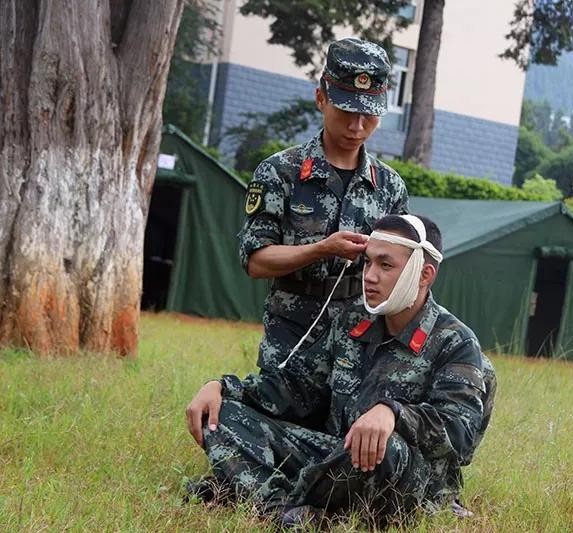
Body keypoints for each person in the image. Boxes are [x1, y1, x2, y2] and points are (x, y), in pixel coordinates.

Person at [186, 215, 496, 527]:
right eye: (368, 263)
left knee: (384, 446)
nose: (370, 277)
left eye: (385, 266)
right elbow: (296, 389)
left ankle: (255, 491)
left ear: (424, 274)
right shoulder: (352, 321)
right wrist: (223, 388)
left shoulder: (455, 342)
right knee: (220, 415)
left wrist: (394, 414)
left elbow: (460, 433)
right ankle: (283, 512)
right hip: (335, 456)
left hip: (405, 480)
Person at [238, 37, 408, 373]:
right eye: (347, 111)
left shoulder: (390, 187)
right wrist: (322, 249)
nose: (357, 126)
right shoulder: (280, 172)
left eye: (369, 115)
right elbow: (256, 261)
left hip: (360, 341)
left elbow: (401, 271)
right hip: (292, 339)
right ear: (321, 98)